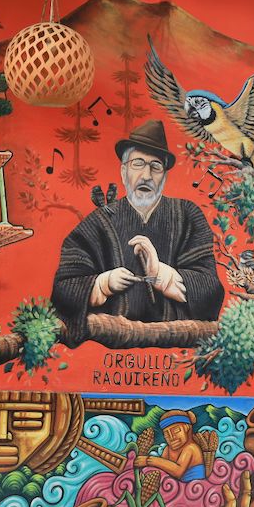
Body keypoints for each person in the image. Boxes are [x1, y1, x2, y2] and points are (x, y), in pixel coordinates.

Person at [52, 120, 224, 344]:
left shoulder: (188, 216)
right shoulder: (97, 223)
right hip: (109, 346)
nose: (146, 175)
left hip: (175, 345)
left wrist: (161, 274)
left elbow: (211, 290)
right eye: (138, 163)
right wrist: (103, 284)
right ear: (123, 171)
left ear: (164, 176)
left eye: (155, 166)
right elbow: (63, 290)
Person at [134, 410, 207, 482]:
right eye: (166, 433)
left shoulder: (191, 448)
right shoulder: (167, 449)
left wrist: (148, 460)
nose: (172, 437)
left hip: (195, 489)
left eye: (176, 430)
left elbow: (178, 471)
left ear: (187, 428)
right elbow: (162, 471)